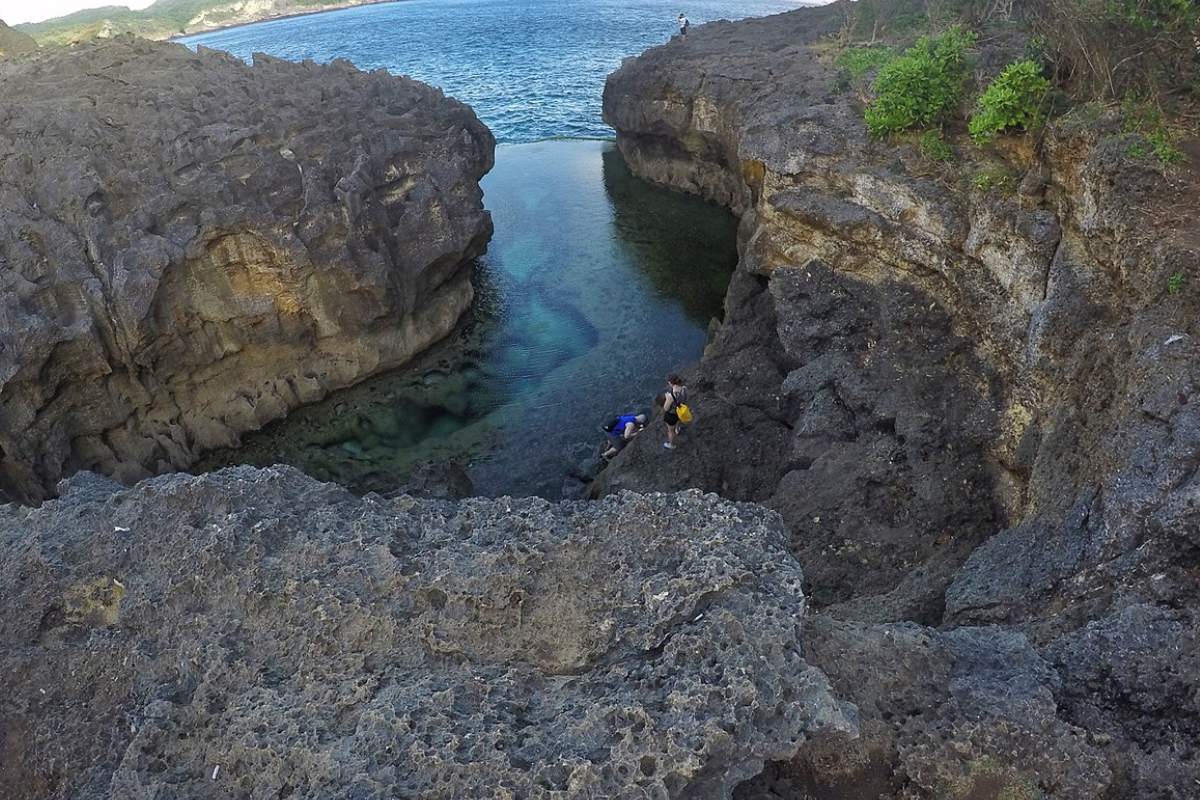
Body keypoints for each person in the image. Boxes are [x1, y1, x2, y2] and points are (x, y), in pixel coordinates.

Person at [659, 373, 689, 450]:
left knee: (671, 431)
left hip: (672, 415)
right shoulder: (684, 388)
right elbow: (685, 398)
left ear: (670, 382)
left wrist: (667, 397)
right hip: (680, 411)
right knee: (678, 420)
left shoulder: (671, 396)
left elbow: (666, 408)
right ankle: (678, 429)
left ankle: (672, 445)